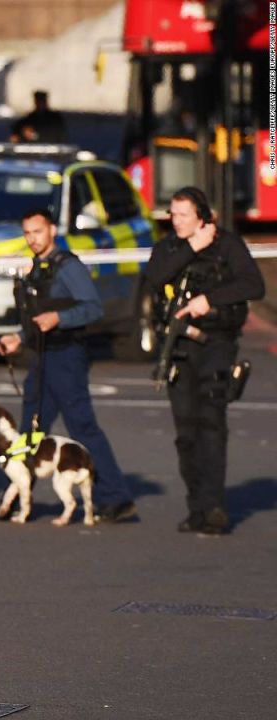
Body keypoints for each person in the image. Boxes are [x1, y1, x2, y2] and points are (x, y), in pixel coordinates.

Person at [0, 208, 136, 523]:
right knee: (29, 432)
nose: (32, 239)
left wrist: (60, 319)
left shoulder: (67, 267)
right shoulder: (37, 269)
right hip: (42, 357)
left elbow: (93, 309)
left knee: (82, 427)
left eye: (37, 232)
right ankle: (13, 500)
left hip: (67, 357)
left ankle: (116, 498)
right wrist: (18, 338)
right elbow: (38, 320)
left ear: (52, 230)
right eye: (27, 233)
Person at [143, 187, 264, 534]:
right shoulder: (170, 247)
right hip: (179, 346)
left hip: (216, 341)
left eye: (183, 215)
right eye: (173, 215)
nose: (176, 221)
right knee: (186, 431)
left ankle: (213, 506)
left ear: (202, 217)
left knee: (211, 421)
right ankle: (196, 506)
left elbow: (253, 285)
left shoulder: (226, 245)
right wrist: (192, 248)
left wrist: (209, 300)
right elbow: (155, 277)